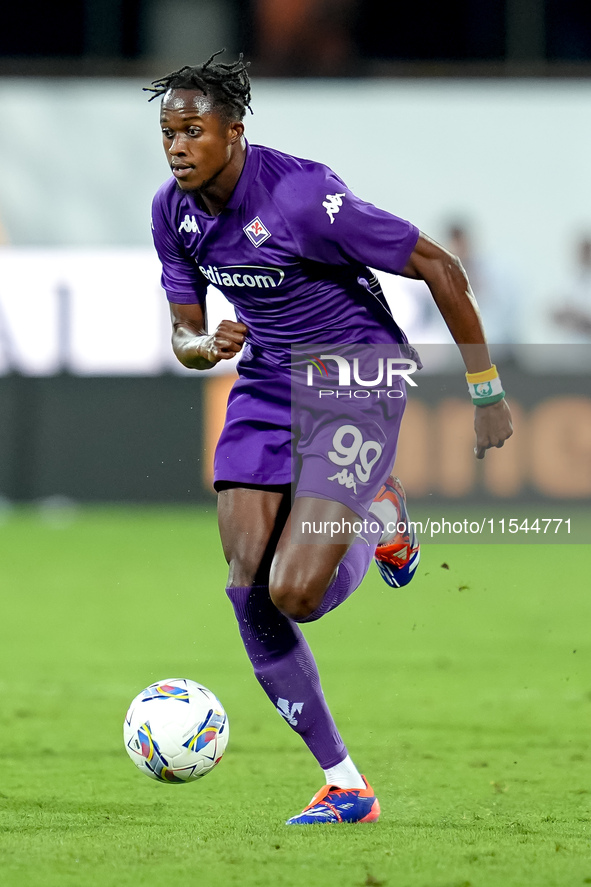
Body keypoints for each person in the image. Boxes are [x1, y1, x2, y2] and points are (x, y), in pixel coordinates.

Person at [145, 51, 513, 825]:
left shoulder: (303, 199)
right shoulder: (171, 213)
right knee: (247, 586)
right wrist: (203, 345)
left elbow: (439, 267)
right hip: (265, 382)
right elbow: (180, 333)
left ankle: (381, 513)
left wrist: (485, 390)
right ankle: (345, 784)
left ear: (233, 133)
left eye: (193, 131)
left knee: (296, 593)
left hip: (353, 373)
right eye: (168, 132)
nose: (178, 146)